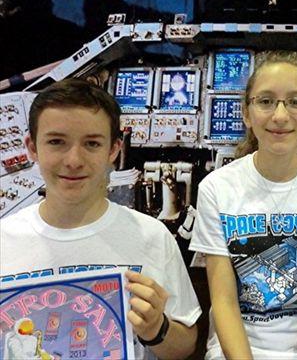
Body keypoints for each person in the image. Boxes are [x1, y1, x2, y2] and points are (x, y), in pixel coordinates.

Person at [0, 79, 201, 360]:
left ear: (113, 150)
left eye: (92, 143)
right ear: (32, 148)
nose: (74, 160)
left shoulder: (151, 236)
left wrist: (157, 328)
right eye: (56, 142)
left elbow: (184, 347)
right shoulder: (4, 240)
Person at [190, 51, 297, 359]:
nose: (280, 116)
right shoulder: (216, 188)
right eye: (266, 101)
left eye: (296, 102)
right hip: (238, 347)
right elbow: (224, 301)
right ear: (246, 112)